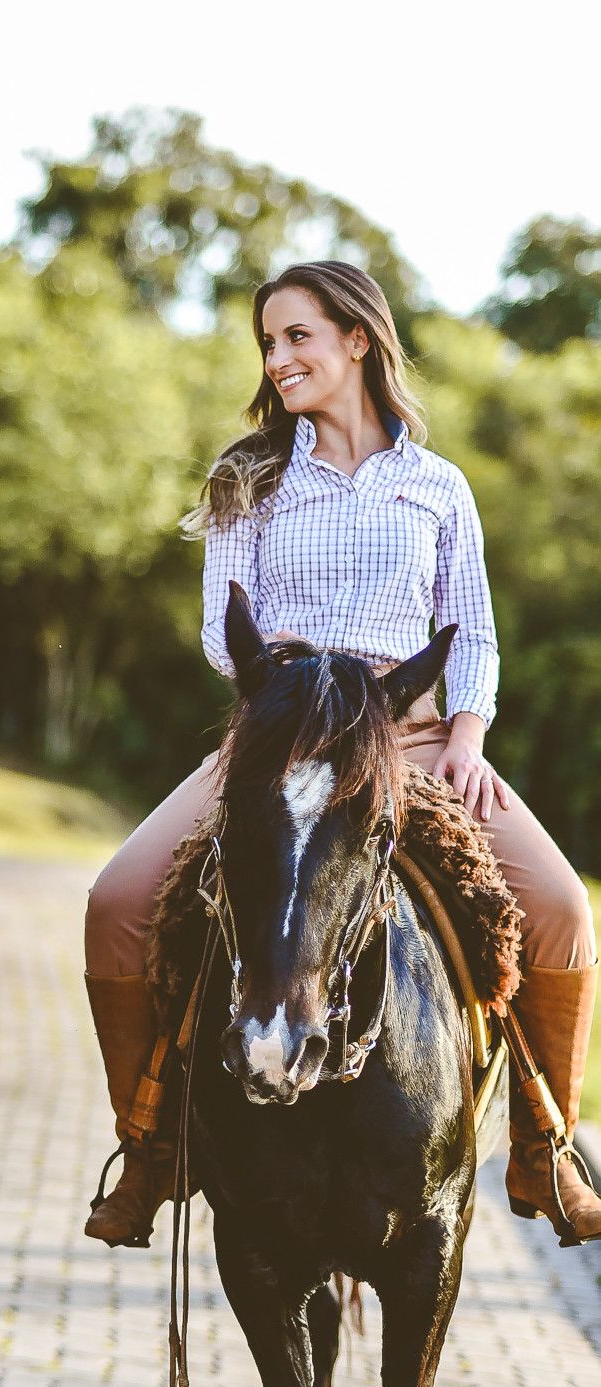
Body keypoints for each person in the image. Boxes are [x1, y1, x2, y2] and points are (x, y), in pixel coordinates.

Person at [84, 259, 600, 1249]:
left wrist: (467, 736)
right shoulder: (248, 479)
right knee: (116, 902)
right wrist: (293, 676)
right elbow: (220, 628)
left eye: (297, 337)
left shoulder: (438, 487)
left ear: (357, 339)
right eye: (267, 343)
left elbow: (473, 633)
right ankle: (149, 1146)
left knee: (562, 910)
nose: (277, 359)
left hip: (411, 740)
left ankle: (546, 1148)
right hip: (280, 736)